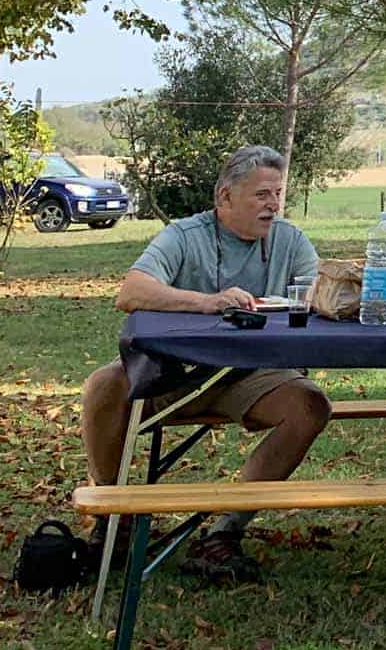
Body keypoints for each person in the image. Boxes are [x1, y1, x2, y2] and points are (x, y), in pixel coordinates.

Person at [77, 144, 329, 582]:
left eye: (278, 194)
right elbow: (131, 291)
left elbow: (320, 295)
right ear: (224, 198)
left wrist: (345, 292)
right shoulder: (184, 235)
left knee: (310, 407)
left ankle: (224, 532)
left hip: (254, 376)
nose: (273, 205)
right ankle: (112, 516)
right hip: (173, 374)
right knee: (103, 385)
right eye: (262, 195)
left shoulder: (291, 241)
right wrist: (207, 303)